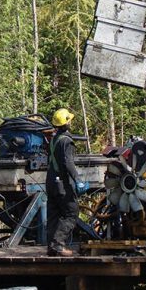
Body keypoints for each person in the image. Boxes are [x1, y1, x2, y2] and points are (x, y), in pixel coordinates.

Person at [45, 108, 87, 257]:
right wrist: (78, 180)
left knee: (54, 213)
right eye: (69, 120)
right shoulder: (67, 141)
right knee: (71, 213)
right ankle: (57, 245)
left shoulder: (54, 139)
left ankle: (51, 247)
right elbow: (68, 163)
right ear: (66, 123)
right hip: (62, 183)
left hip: (50, 181)